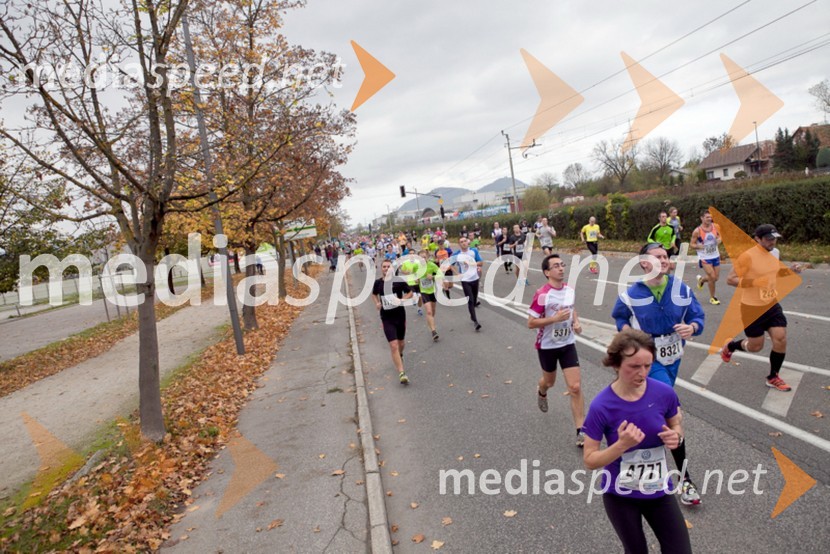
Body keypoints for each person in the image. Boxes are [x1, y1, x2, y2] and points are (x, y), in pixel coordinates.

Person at [611, 242, 705, 506]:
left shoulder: (681, 289)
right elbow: (620, 317)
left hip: (674, 357)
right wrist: (625, 329)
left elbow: (698, 315)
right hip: (650, 360)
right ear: (644, 263)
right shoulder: (632, 294)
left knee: (652, 410)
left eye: (666, 257)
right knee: (672, 410)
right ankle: (685, 480)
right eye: (657, 257)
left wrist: (693, 327)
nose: (664, 260)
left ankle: (633, 448)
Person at [583, 329, 693, 554]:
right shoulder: (601, 406)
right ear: (615, 364)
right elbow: (590, 460)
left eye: (647, 366)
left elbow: (676, 424)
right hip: (621, 496)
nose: (642, 373)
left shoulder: (664, 393)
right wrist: (621, 445)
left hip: (659, 491)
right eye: (634, 367)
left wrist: (677, 437)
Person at [721, 224, 803, 391]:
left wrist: (790, 270)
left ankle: (773, 376)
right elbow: (730, 279)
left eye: (774, 238)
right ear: (757, 239)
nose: (772, 242)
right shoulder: (747, 257)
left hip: (771, 304)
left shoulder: (775, 252)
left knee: (780, 338)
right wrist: (754, 282)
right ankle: (730, 347)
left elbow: (775, 271)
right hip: (752, 308)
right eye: (768, 239)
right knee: (755, 347)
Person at [527, 254, 586, 446]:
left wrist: (576, 322)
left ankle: (581, 431)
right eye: (556, 266)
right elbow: (531, 322)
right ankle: (542, 390)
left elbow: (572, 308)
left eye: (562, 265)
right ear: (547, 272)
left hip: (567, 344)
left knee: (575, 387)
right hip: (547, 346)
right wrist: (554, 319)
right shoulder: (542, 294)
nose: (561, 268)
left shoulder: (569, 290)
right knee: (549, 381)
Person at [372, 259, 415, 384]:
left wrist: (402, 299)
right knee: (393, 345)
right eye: (384, 267)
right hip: (386, 318)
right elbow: (374, 294)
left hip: (400, 316)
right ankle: (402, 373)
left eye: (388, 266)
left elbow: (410, 293)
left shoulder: (399, 281)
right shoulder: (378, 283)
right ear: (381, 269)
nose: (386, 268)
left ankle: (400, 356)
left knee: (401, 343)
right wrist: (377, 303)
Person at [690, 210, 722, 305]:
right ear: (702, 218)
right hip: (704, 256)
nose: (709, 219)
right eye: (707, 217)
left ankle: (702, 280)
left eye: (710, 217)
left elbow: (720, 236)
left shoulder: (715, 227)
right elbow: (692, 244)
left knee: (715, 278)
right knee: (712, 277)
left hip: (715, 255)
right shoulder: (697, 231)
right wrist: (698, 246)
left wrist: (719, 240)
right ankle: (713, 298)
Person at [451, 236, 483, 331]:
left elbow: (481, 262)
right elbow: (450, 264)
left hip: (475, 278)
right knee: (470, 300)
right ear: (459, 244)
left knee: (474, 298)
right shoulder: (457, 254)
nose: (464, 243)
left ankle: (472, 316)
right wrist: (458, 274)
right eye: (461, 242)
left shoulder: (473, 251)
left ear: (467, 242)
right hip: (465, 280)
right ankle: (475, 322)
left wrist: (473, 264)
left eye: (465, 241)